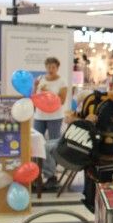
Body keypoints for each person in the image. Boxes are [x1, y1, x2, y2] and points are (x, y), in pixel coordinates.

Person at [82, 65, 113, 212]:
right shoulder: (94, 101)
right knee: (100, 210)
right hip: (99, 170)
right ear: (112, 85)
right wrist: (87, 122)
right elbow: (76, 125)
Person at [33, 57, 67, 189]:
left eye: (53, 67)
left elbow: (62, 101)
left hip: (55, 117)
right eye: (48, 66)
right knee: (36, 144)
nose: (50, 69)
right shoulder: (40, 79)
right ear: (45, 67)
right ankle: (35, 175)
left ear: (57, 68)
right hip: (39, 116)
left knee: (52, 146)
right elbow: (34, 97)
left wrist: (48, 92)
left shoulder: (62, 81)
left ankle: (52, 176)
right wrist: (35, 87)